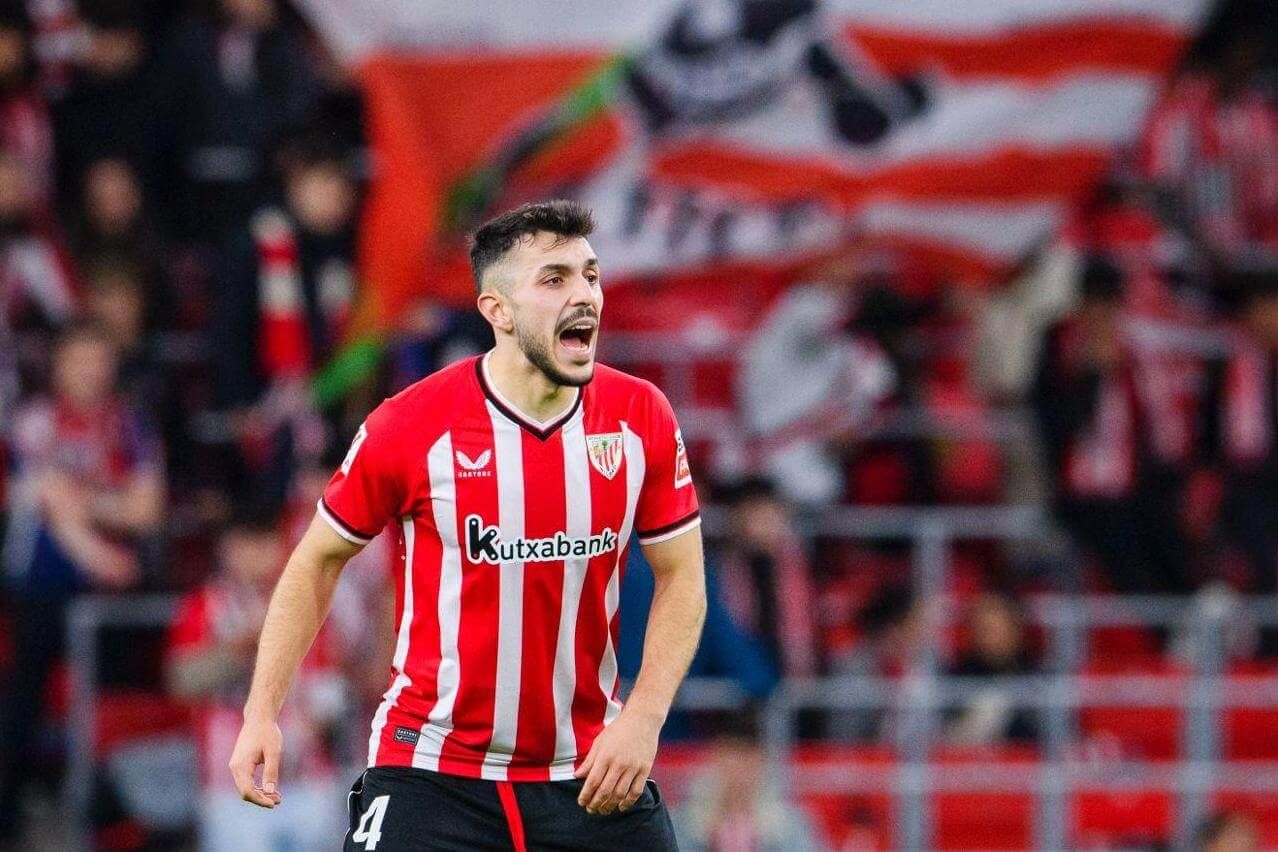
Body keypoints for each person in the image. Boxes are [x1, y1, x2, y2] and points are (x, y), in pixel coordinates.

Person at [228, 200, 706, 850]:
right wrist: (262, 712)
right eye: (554, 278)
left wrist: (645, 718)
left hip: (587, 772)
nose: (585, 295)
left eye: (590, 275)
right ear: (498, 312)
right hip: (432, 773)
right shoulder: (411, 425)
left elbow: (683, 577)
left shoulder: (639, 416)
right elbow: (317, 560)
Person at [0, 323, 164, 843]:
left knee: (118, 704)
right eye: (81, 357)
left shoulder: (129, 422)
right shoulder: (35, 421)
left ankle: (116, 819)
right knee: (21, 700)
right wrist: (101, 550)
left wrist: (91, 506)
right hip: (41, 587)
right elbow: (50, 500)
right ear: (59, 363)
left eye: (101, 357)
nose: (92, 369)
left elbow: (147, 509)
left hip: (112, 593)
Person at [168, 507, 348, 851]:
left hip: (307, 779)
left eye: (265, 542)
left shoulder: (306, 603)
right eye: (245, 543)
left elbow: (331, 690)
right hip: (233, 786)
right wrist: (242, 650)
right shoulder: (205, 606)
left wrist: (317, 716)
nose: (255, 554)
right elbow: (181, 680)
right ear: (226, 547)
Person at [944, 592, 1040, 745]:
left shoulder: (1039, 677)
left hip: (1024, 763)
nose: (987, 638)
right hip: (970, 763)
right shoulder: (955, 677)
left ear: (1016, 630)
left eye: (995, 629)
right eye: (983, 629)